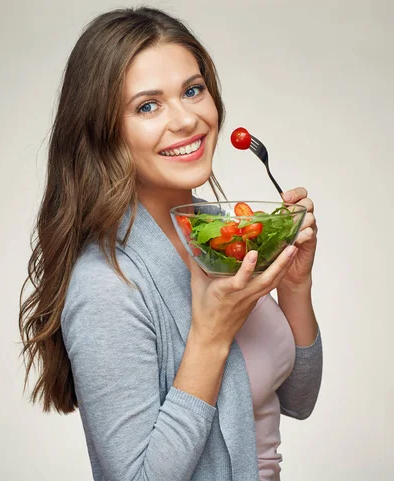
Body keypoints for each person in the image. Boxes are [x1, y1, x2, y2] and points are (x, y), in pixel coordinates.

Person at [19, 6, 322, 481]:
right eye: (147, 105)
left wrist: (295, 285)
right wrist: (211, 338)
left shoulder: (218, 235)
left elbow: (298, 401)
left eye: (193, 90)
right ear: (102, 133)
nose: (187, 120)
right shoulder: (106, 286)